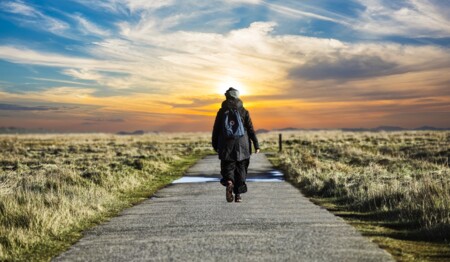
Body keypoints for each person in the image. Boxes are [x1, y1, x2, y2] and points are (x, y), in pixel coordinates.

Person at [212, 87, 260, 203]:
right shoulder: (244, 111)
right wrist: (256, 144)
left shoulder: (222, 111)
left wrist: (215, 144)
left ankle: (229, 181)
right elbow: (250, 129)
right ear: (237, 96)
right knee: (241, 169)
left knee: (228, 167)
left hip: (226, 144)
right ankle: (238, 195)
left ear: (227, 97)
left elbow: (216, 129)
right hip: (243, 145)